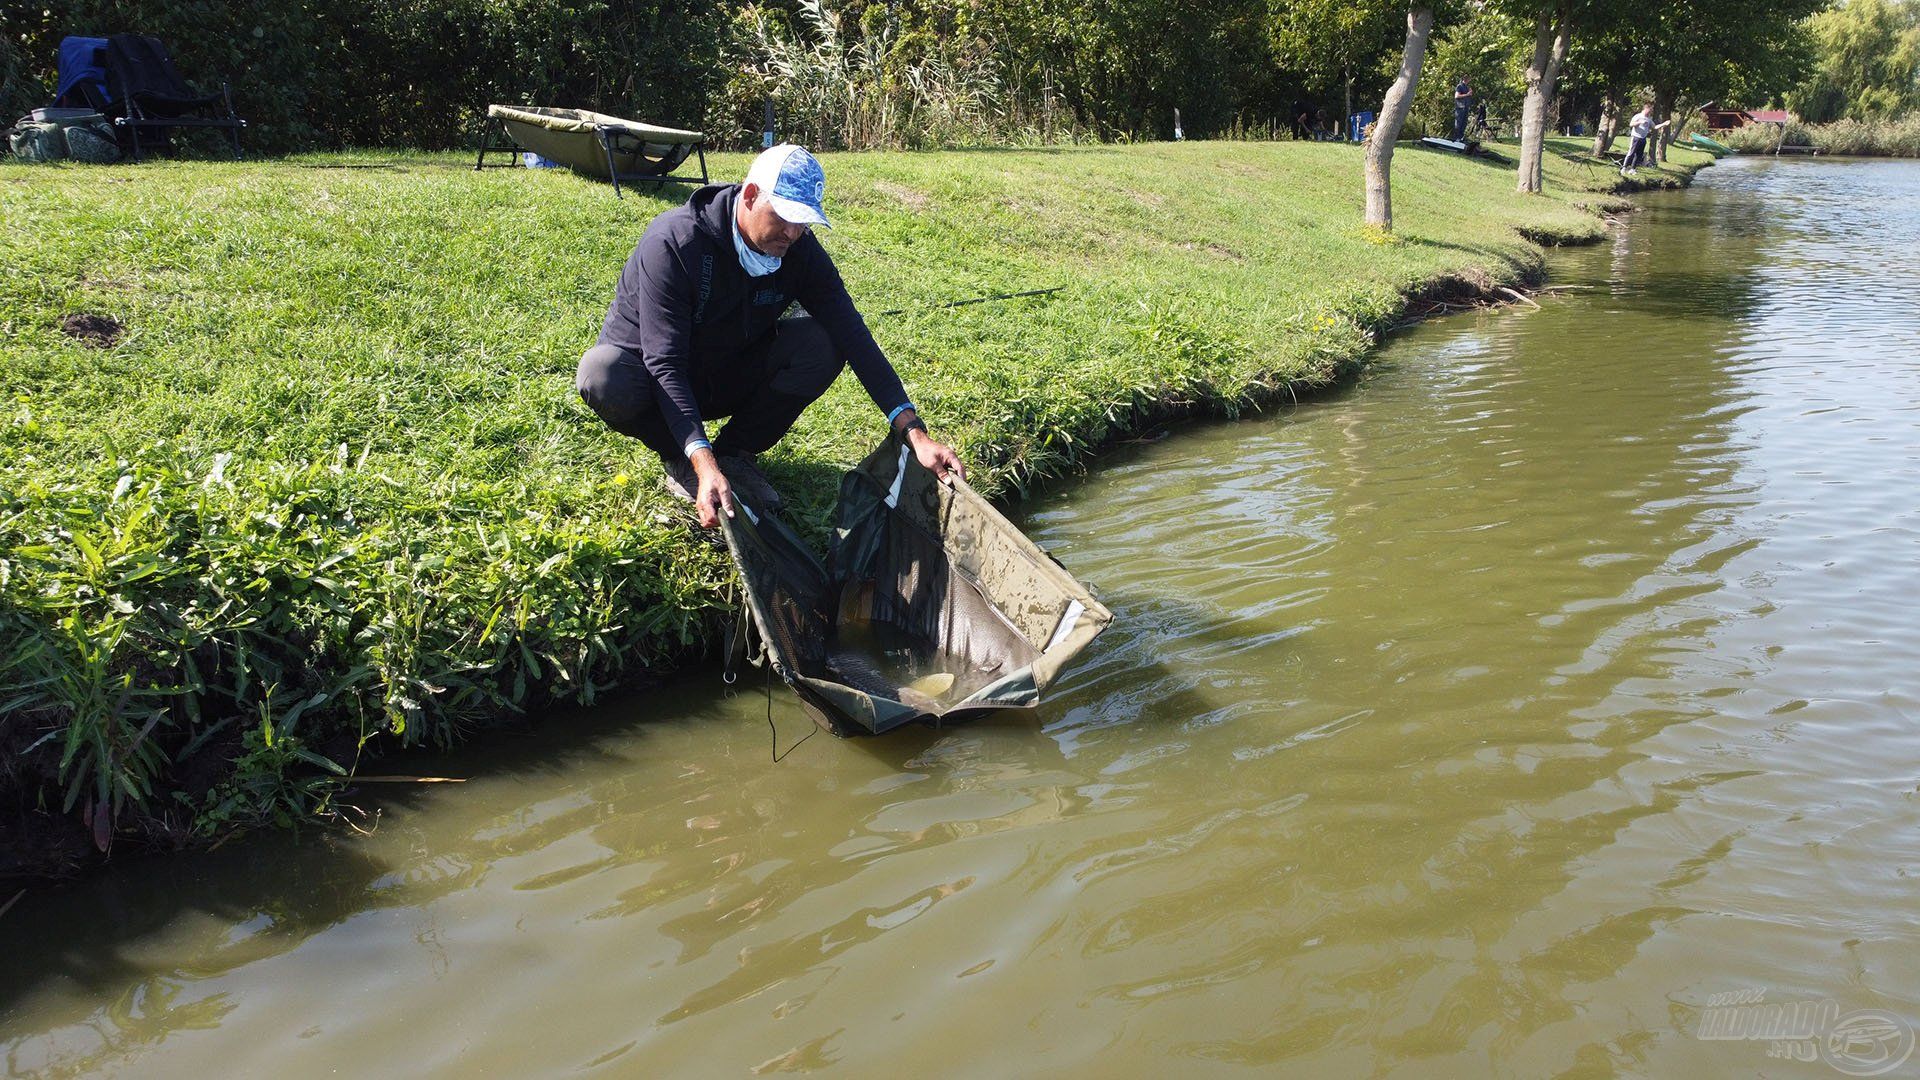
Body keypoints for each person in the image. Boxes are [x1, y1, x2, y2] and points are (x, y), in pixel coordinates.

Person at [576, 144, 965, 528]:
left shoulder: (798, 251)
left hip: (726, 373)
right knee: (602, 374)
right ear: (749, 196)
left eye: (804, 222)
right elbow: (665, 362)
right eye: (784, 217)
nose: (793, 233)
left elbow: (852, 331)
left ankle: (735, 454)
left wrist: (913, 432)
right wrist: (700, 457)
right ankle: (685, 460)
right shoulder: (675, 243)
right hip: (655, 383)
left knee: (824, 343)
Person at [1619, 103, 1670, 175]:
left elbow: (1654, 127)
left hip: (1643, 138)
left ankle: (1633, 169)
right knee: (1631, 153)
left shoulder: (1649, 119)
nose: (1650, 112)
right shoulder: (1638, 116)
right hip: (1635, 137)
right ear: (1645, 109)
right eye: (1650, 110)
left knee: (1639, 155)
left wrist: (1664, 124)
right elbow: (1631, 124)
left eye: (1651, 111)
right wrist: (1639, 122)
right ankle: (1624, 168)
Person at [1452, 77, 1474, 142]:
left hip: (1466, 107)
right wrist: (1467, 94)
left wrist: (1470, 92)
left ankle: (1460, 138)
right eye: (1467, 78)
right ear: (1464, 79)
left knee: (1464, 123)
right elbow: (1457, 96)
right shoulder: (1459, 86)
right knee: (1458, 123)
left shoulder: (1467, 87)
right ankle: (1456, 138)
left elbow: (1469, 95)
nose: (1469, 80)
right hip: (1460, 107)